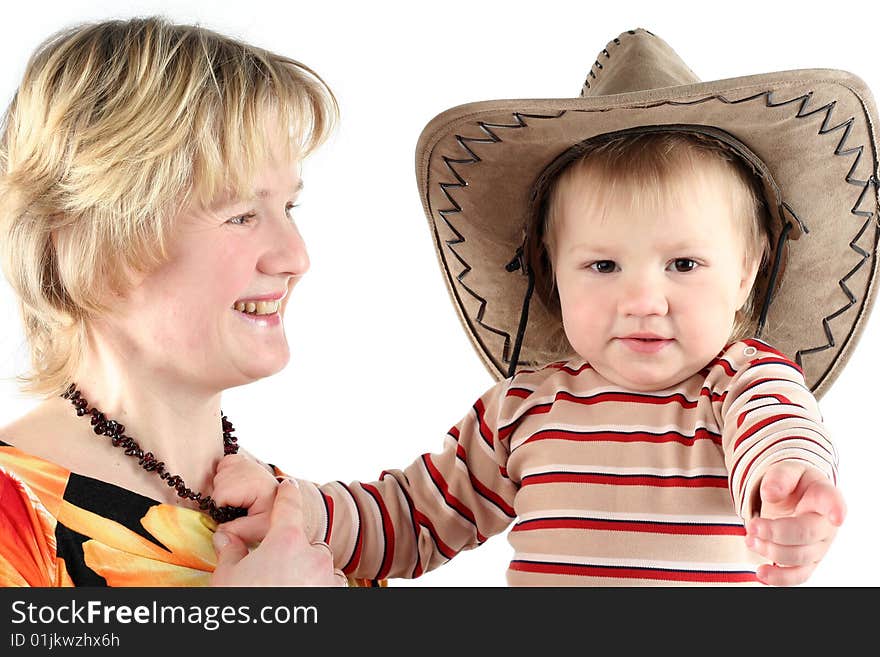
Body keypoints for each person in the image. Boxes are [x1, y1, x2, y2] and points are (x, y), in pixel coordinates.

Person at [212, 28, 879, 586]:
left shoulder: (742, 384)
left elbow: (779, 435)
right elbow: (411, 518)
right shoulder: (520, 412)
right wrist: (299, 508)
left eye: (683, 264)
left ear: (746, 273)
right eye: (603, 265)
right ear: (552, 276)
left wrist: (788, 491)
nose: (643, 299)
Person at [0, 16, 365, 587]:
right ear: (82, 241)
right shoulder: (13, 520)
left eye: (288, 208)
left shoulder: (310, 531)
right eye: (241, 214)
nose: (295, 256)